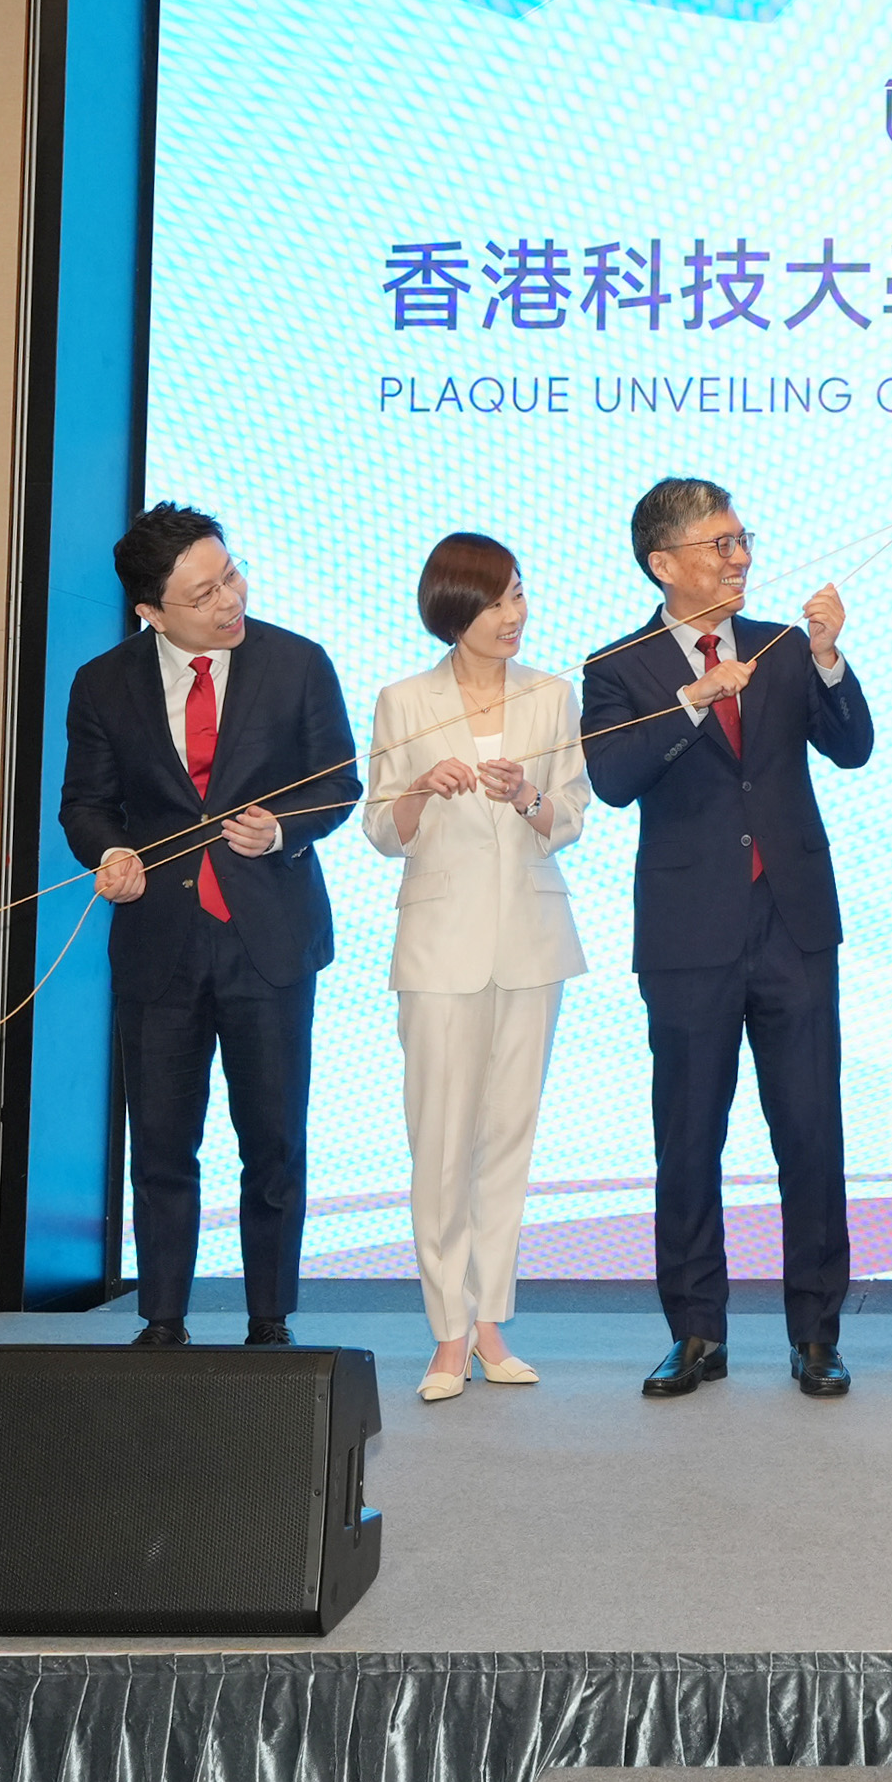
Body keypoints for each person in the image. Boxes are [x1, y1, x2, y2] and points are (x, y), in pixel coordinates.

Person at [582, 479, 874, 1401]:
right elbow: (615, 778)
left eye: (742, 538)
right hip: (688, 934)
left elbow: (853, 746)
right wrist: (694, 700)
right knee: (688, 1137)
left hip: (791, 925)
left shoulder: (786, 648)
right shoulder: (618, 667)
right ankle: (696, 1334)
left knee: (809, 1133)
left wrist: (829, 658)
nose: (739, 557)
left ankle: (817, 1334)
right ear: (663, 563)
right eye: (718, 543)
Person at [60, 504, 360, 1348]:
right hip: (160, 941)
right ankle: (162, 1318)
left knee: (271, 1141)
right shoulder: (102, 683)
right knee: (161, 1145)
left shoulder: (297, 663)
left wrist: (282, 828)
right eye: (203, 593)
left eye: (230, 575)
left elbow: (337, 783)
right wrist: (109, 851)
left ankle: (270, 1319)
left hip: (266, 939)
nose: (230, 599)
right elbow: (85, 803)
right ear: (151, 612)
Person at [363, 533, 590, 1405]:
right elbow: (383, 829)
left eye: (520, 596)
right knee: (440, 1142)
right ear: (454, 611)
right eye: (496, 602)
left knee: (507, 1137)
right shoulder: (403, 700)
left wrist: (529, 797)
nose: (513, 617)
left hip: (531, 942)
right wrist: (422, 785)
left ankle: (492, 1318)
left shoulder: (550, 696)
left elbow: (569, 810)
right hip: (438, 947)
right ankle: (446, 1332)